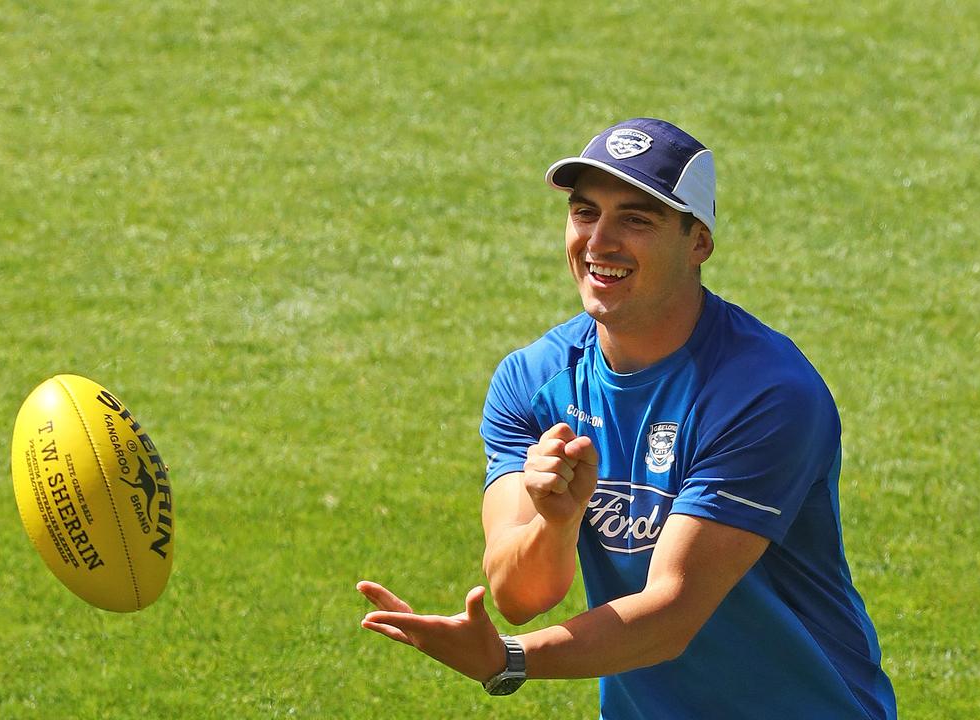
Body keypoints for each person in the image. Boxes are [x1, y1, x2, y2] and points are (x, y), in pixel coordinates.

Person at [357, 118, 897, 719]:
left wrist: (508, 660)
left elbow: (670, 615)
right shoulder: (533, 383)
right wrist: (556, 523)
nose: (599, 242)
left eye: (637, 219)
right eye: (585, 212)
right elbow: (518, 594)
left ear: (699, 243)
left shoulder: (765, 393)